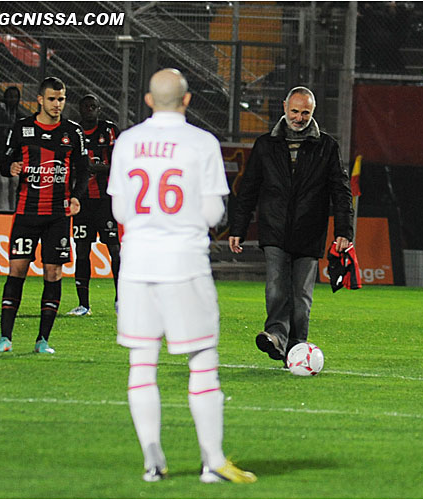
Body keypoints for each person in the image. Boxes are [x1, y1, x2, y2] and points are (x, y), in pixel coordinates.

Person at [107, 68, 256, 484]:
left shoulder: (128, 141)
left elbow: (120, 211)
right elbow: (212, 213)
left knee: (142, 363)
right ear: (187, 100)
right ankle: (212, 462)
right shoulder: (201, 143)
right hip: (184, 263)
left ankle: (152, 459)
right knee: (203, 363)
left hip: (137, 264)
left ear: (149, 101)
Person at [228, 86, 354, 365]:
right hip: (273, 229)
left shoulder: (327, 147)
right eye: (295, 111)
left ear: (313, 111)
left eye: (305, 112)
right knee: (275, 287)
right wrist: (237, 227)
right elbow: (248, 189)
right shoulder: (265, 145)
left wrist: (344, 231)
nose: (299, 117)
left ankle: (296, 348)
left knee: (301, 296)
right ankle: (276, 337)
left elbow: (341, 191)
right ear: (284, 107)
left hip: (310, 232)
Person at [0, 77, 88, 354]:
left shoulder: (73, 132)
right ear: (40, 100)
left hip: (58, 214)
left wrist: (77, 197)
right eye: (53, 99)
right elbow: (4, 164)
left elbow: (84, 169)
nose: (58, 104)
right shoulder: (22, 128)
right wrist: (12, 168)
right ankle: (5, 339)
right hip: (27, 212)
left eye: (62, 99)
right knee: (17, 270)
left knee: (53, 272)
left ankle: (43, 340)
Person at [66, 95, 121, 316]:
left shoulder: (108, 130)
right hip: (82, 202)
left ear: (99, 109)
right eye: (85, 106)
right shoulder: (73, 132)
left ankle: (121, 301)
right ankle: (83, 304)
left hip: (106, 202)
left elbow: (120, 162)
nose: (89, 109)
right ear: (79, 109)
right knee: (81, 250)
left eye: (93, 106)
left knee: (115, 250)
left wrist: (95, 168)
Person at [0, 86, 26, 211]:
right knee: (0, 184)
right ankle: (0, 210)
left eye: (15, 97)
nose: (13, 100)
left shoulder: (21, 117)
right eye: (10, 96)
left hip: (15, 157)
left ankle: (13, 209)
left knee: (13, 186)